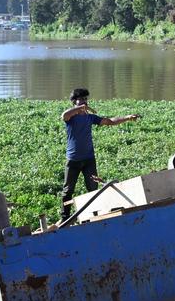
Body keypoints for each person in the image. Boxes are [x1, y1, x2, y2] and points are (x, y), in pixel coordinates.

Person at [59, 88, 140, 219]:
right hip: (73, 160)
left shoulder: (90, 117)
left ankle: (94, 215)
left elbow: (109, 121)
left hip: (89, 160)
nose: (85, 102)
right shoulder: (70, 118)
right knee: (68, 190)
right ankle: (65, 218)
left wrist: (127, 118)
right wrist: (78, 109)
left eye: (86, 99)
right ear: (74, 101)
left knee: (93, 189)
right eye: (81, 99)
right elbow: (64, 115)